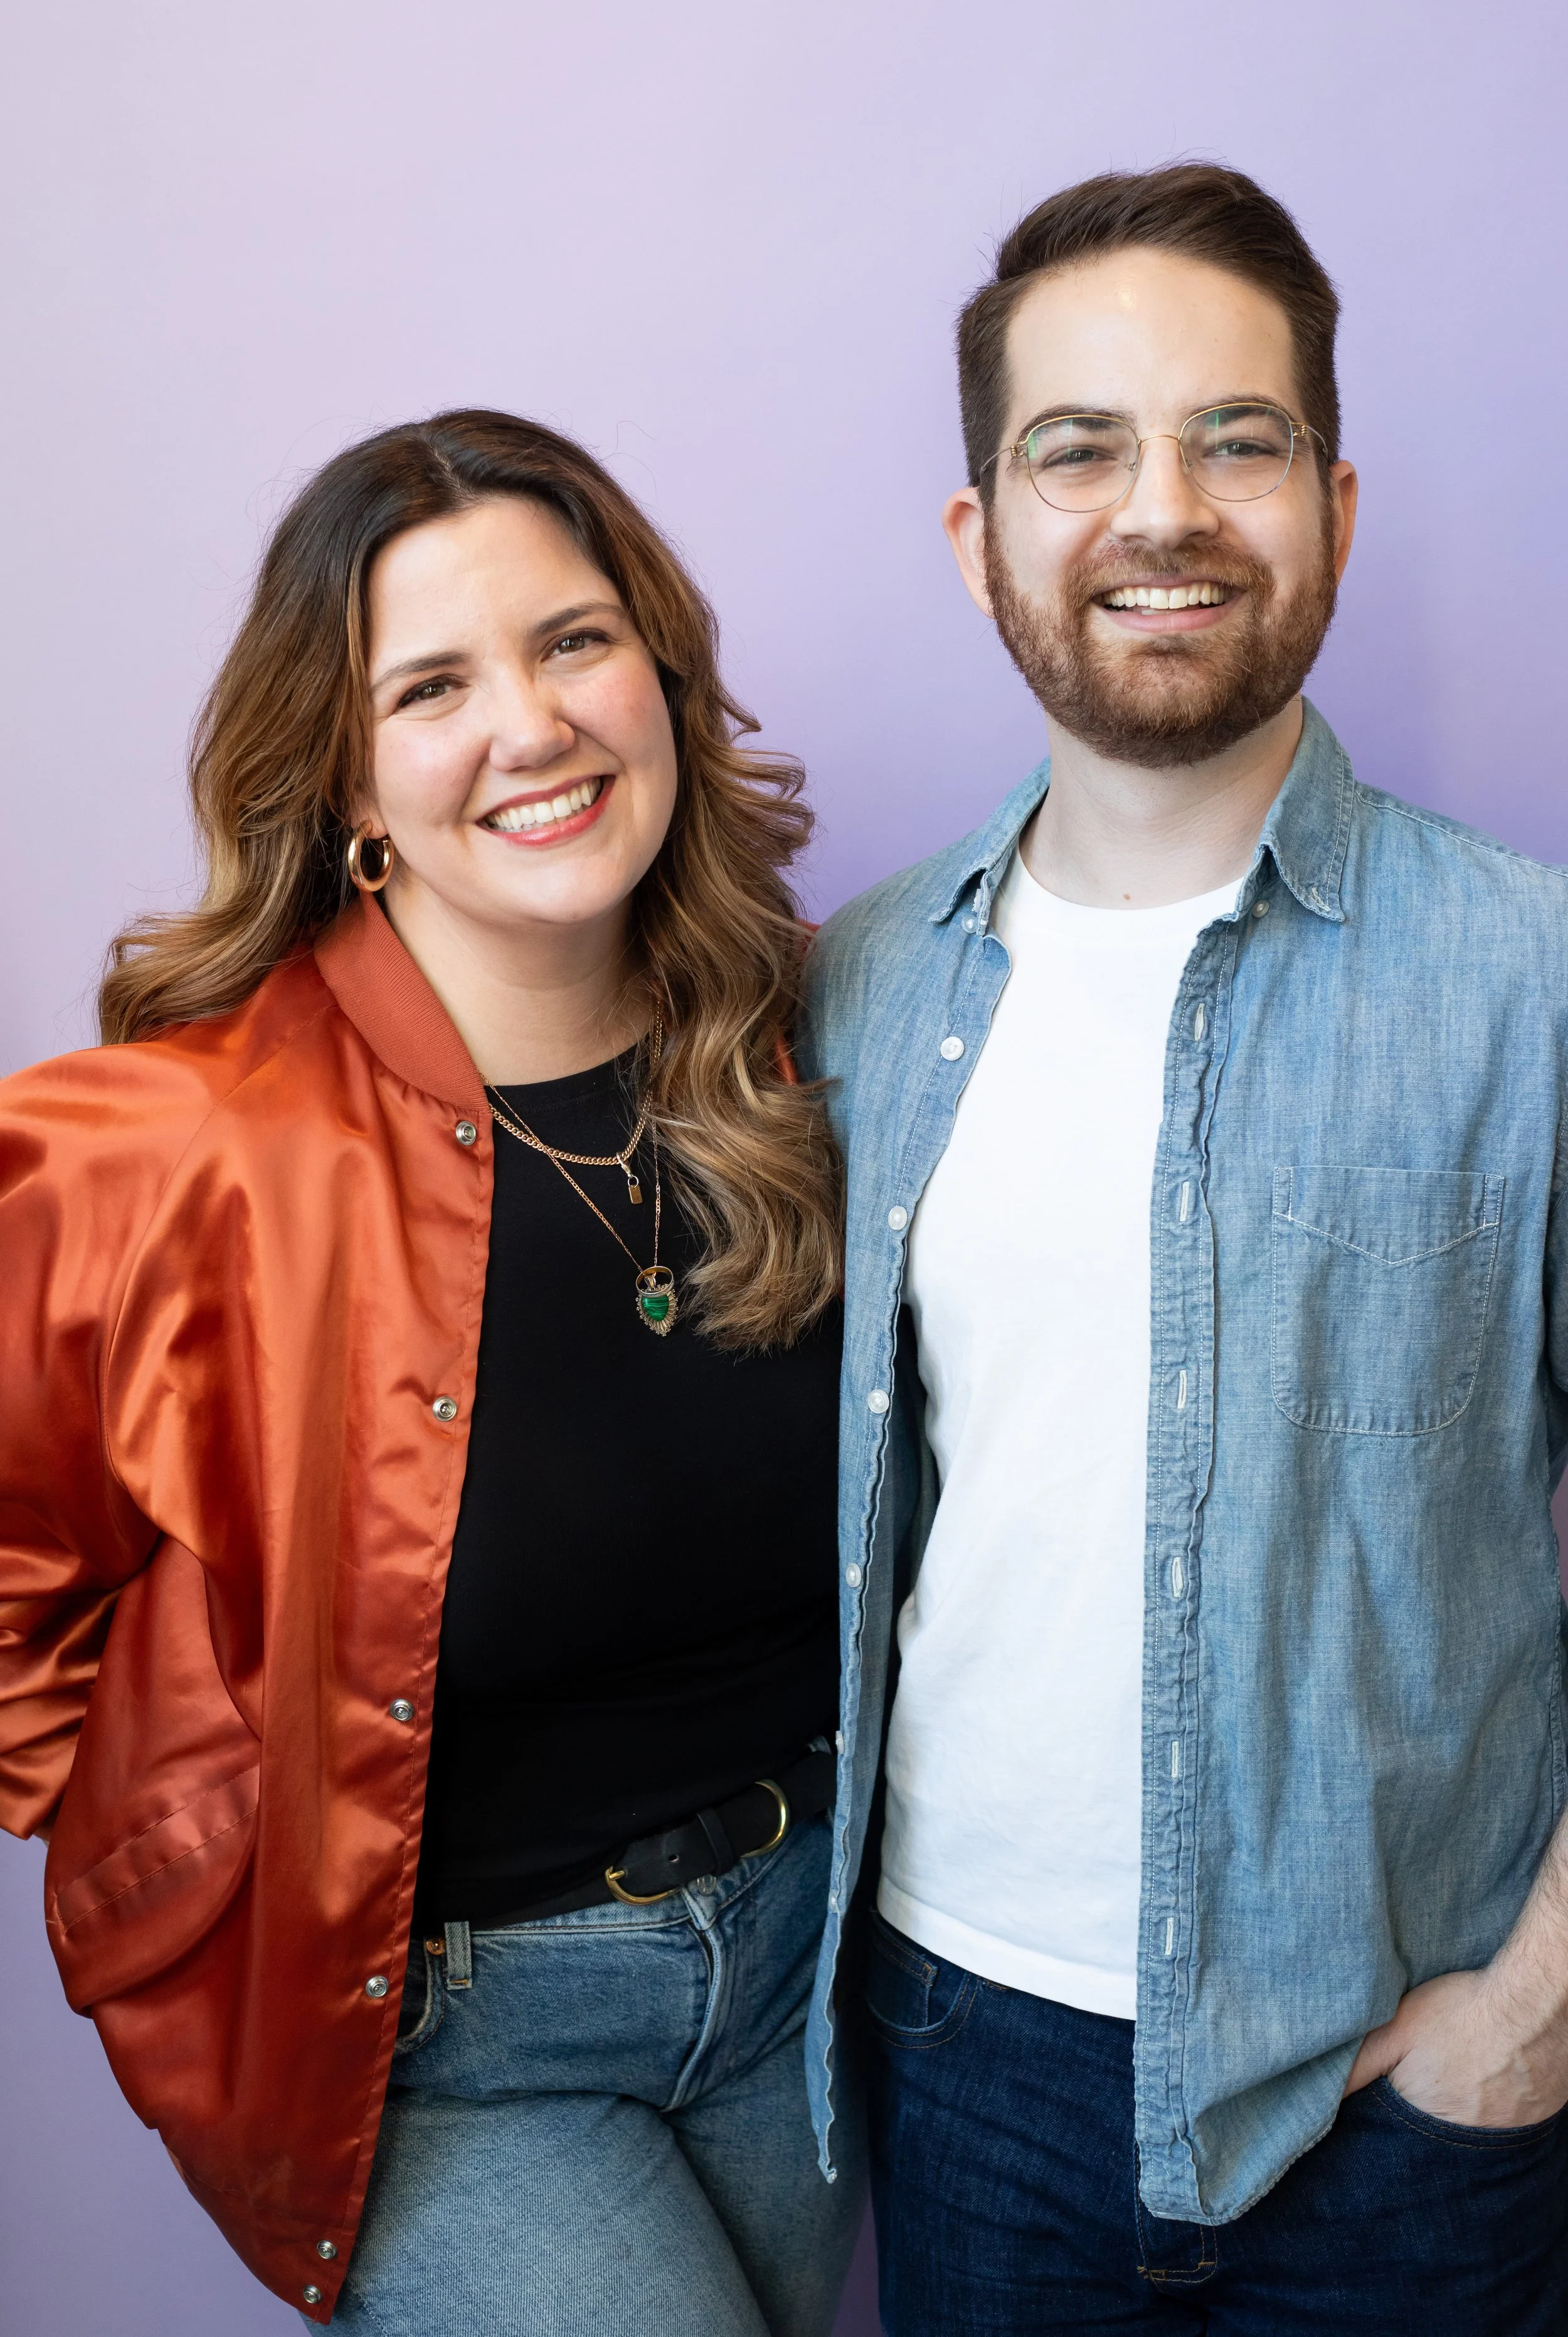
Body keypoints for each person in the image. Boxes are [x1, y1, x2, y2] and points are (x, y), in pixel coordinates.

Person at [801, 163, 1568, 2331]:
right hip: (965, 2060)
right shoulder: (851, 995)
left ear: (1329, 501)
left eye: (1234, 439)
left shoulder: (1535, 979)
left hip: (1412, 2082)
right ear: (981, 540)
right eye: (1078, 449)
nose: (1165, 509)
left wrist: (1532, 2013)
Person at [0, 410, 864, 2334]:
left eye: (572, 641)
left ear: (658, 670)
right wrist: (190, 1853)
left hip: (810, 1977)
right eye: (434, 684)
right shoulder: (175, 1145)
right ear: (352, 781)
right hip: (465, 2034)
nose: (533, 725)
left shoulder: (809, 1037)